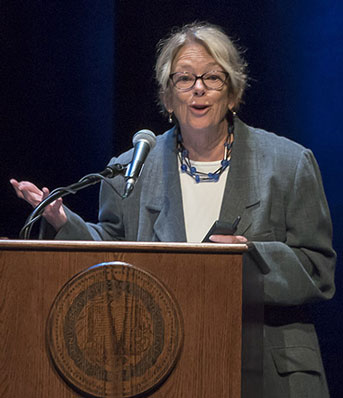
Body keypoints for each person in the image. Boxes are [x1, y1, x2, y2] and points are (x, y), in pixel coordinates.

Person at [11, 22, 336, 397]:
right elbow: (113, 247)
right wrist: (63, 221)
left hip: (266, 370)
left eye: (212, 77)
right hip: (165, 368)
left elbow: (318, 267)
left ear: (232, 94)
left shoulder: (288, 164)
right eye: (184, 79)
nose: (198, 88)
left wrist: (248, 257)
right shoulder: (131, 170)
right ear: (168, 98)